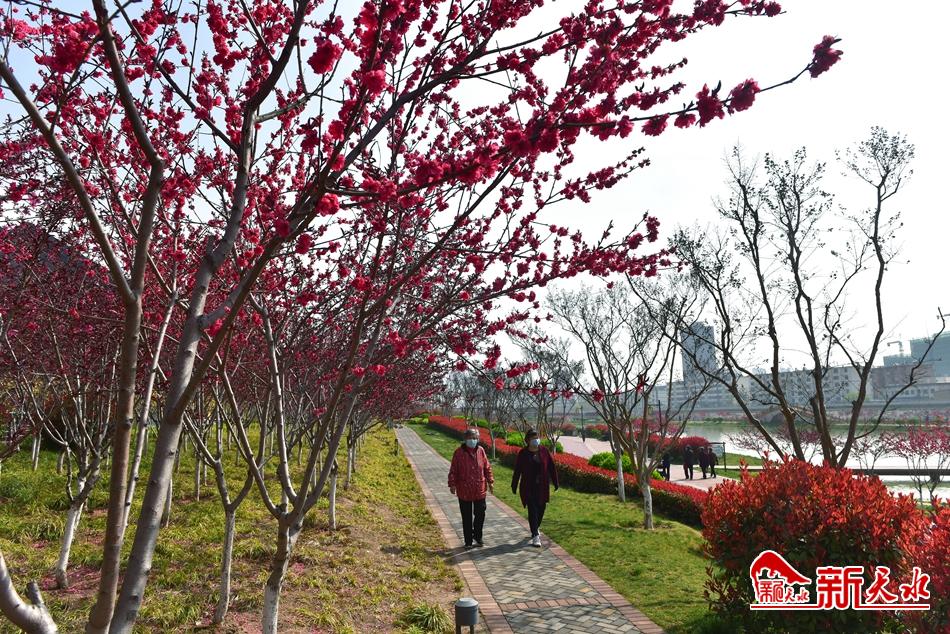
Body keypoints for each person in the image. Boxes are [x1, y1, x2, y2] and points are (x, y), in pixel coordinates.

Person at [448, 427, 494, 549]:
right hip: (464, 490)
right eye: (470, 438)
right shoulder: (459, 453)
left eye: (475, 438)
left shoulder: (481, 450)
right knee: (466, 516)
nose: (473, 440)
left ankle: (478, 536)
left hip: (479, 488)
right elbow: (453, 470)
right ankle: (468, 541)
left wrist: (490, 481)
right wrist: (452, 484)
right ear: (465, 439)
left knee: (480, 514)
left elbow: (487, 467)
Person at [511, 429, 558, 547]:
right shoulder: (523, 453)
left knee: (541, 509)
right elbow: (517, 470)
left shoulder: (544, 451)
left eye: (537, 438)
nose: (535, 440)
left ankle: (536, 528)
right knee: (532, 509)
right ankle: (535, 535)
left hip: (542, 486)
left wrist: (556, 482)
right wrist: (514, 485)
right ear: (528, 440)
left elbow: (551, 467)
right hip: (528, 487)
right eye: (533, 438)